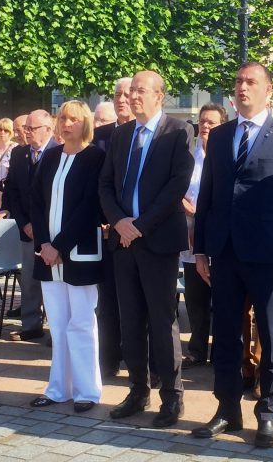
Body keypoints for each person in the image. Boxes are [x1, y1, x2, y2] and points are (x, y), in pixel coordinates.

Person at [191, 62, 273, 448]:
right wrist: (202, 250)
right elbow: (207, 194)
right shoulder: (221, 135)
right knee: (225, 334)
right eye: (238, 82)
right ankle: (227, 409)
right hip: (224, 252)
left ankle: (268, 413)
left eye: (251, 82)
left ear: (267, 91)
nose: (242, 88)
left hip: (268, 254)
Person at [98, 70, 194, 428]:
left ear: (159, 95)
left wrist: (139, 225)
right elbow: (105, 185)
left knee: (161, 318)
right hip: (122, 241)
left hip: (157, 240)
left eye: (140, 90)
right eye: (128, 90)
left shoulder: (177, 131)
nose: (132, 96)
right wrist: (121, 221)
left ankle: (171, 395)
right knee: (130, 318)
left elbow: (176, 186)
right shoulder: (121, 134)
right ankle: (138, 390)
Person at [29, 100, 105, 412]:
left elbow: (90, 207)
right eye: (63, 118)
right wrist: (46, 244)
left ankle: (87, 391)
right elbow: (37, 202)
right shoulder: (49, 157)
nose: (67, 123)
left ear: (84, 122)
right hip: (48, 255)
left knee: (82, 322)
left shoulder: (95, 157)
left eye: (73, 118)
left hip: (79, 253)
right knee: (58, 323)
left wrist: (59, 245)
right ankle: (59, 388)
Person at [0, 109, 57, 339]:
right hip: (27, 229)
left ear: (48, 130)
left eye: (32, 128)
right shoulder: (19, 154)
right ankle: (31, 325)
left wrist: (41, 225)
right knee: (30, 278)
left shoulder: (59, 152)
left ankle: (56, 330)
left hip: (52, 229)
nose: (27, 132)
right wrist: (24, 223)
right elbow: (12, 190)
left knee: (54, 281)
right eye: (26, 128)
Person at [181, 103, 227, 369]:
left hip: (218, 237)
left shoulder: (226, 156)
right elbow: (176, 185)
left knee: (221, 298)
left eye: (211, 122)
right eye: (202, 122)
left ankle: (221, 349)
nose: (206, 126)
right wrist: (185, 206)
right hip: (190, 237)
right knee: (196, 299)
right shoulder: (190, 156)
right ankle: (197, 350)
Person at [93, 77, 132, 377]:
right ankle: (108, 360)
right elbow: (97, 183)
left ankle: (140, 363)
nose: (121, 99)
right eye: (117, 94)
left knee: (137, 302)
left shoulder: (151, 134)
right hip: (106, 228)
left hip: (136, 228)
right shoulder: (101, 136)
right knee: (107, 300)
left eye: (127, 94)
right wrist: (106, 218)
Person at [0, 118, 17, 215]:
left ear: (11, 132)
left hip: (8, 192)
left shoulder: (15, 148)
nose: (2, 132)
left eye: (6, 130)